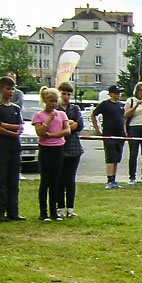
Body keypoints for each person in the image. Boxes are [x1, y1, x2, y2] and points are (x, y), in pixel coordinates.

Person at [32, 88, 70, 221]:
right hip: (45, 149)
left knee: (56, 181)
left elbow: (67, 131)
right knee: (45, 181)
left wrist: (53, 135)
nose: (53, 104)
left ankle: (54, 212)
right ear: (44, 101)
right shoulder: (39, 115)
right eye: (50, 101)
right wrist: (49, 120)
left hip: (58, 148)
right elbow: (40, 132)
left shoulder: (62, 114)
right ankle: (43, 212)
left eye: (55, 101)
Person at [0, 76, 25, 222]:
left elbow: (20, 126)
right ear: (0, 89)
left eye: (13, 89)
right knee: (0, 180)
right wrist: (10, 130)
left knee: (13, 180)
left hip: (15, 148)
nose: (11, 92)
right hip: (2, 147)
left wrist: (7, 126)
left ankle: (13, 211)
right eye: (8, 89)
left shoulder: (16, 108)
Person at [55, 81, 83, 218]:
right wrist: (68, 125)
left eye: (68, 94)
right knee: (59, 178)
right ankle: (60, 207)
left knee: (70, 179)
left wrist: (66, 126)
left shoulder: (75, 109)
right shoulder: (55, 109)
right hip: (58, 147)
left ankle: (70, 208)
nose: (66, 96)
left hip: (74, 148)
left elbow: (79, 125)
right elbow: (56, 127)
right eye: (63, 93)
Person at [92, 84, 127, 189]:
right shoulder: (105, 104)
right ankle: (109, 179)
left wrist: (125, 130)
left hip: (120, 134)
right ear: (111, 94)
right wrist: (97, 129)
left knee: (116, 157)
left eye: (119, 93)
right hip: (109, 134)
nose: (118, 95)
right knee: (110, 157)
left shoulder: (121, 105)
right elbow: (94, 114)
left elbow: (123, 119)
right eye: (116, 93)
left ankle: (114, 179)